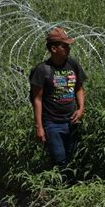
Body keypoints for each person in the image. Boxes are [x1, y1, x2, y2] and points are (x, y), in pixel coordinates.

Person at [29, 27, 87, 168]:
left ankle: (70, 187)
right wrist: (39, 127)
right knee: (59, 159)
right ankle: (56, 187)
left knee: (73, 159)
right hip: (52, 122)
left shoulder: (72, 64)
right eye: (64, 46)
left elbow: (79, 88)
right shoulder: (42, 70)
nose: (68, 49)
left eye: (68, 46)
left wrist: (81, 109)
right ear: (53, 49)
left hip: (72, 120)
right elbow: (37, 99)